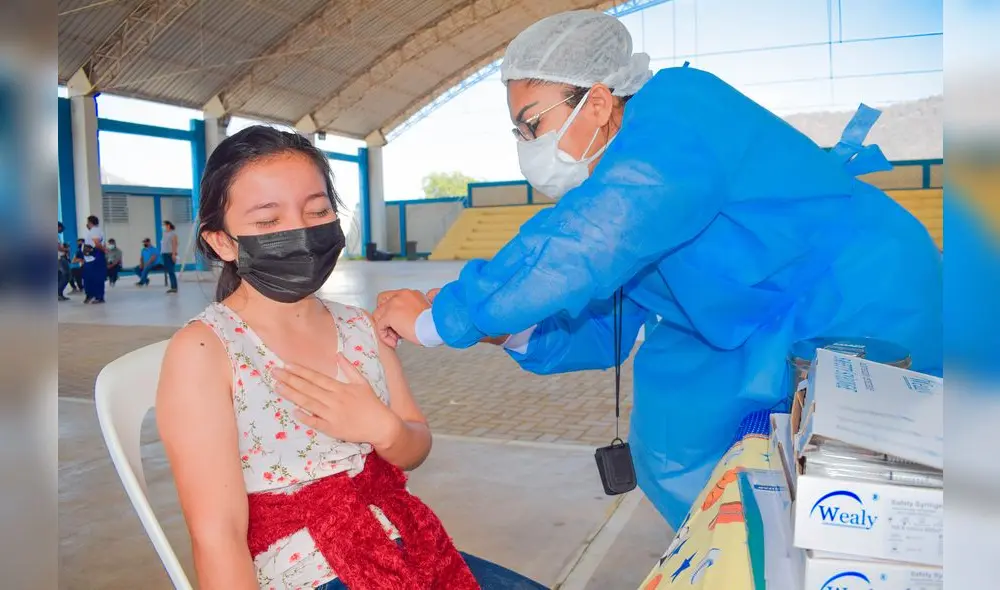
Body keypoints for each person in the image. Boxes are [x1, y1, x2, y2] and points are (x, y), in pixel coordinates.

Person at [373, 10, 943, 530]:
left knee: (867, 473)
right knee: (675, 441)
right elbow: (604, 324)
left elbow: (590, 238)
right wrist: (505, 327)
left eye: (531, 124)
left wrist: (446, 316)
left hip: (858, 294)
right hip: (749, 321)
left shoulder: (679, 111)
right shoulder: (613, 188)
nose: (526, 146)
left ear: (597, 102)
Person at [156, 125, 545, 590]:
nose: (299, 233)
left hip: (408, 543)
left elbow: (415, 446)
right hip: (306, 573)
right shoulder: (205, 350)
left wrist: (380, 427)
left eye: (317, 211)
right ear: (222, 242)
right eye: (267, 222)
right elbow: (217, 535)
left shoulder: (361, 327)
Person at [161, 220, 179, 293]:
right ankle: (172, 286)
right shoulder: (165, 233)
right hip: (164, 254)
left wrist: (173, 254)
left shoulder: (173, 234)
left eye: (164, 225)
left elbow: (175, 244)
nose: (163, 227)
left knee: (171, 271)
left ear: (168, 225)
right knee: (169, 271)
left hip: (169, 254)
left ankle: (174, 287)